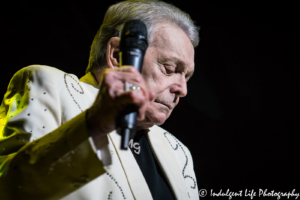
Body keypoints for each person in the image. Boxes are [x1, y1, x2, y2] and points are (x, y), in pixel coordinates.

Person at [0, 0, 200, 199]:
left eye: (187, 76)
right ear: (117, 55)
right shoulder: (49, 85)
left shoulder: (179, 152)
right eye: (170, 69)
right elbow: (9, 187)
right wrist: (93, 125)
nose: (183, 89)